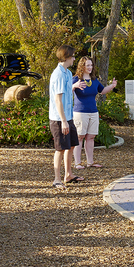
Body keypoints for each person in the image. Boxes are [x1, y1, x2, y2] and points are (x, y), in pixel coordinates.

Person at [71, 56, 117, 169]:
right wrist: (74, 86)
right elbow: (66, 89)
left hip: (93, 112)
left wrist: (112, 86)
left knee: (90, 137)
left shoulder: (94, 80)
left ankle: (90, 162)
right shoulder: (76, 79)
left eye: (91, 65)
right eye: (87, 65)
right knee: (79, 137)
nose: (90, 67)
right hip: (80, 112)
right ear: (82, 66)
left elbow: (102, 91)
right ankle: (77, 163)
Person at [48, 45, 80, 186]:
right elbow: (58, 100)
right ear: (66, 57)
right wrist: (64, 121)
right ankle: (57, 179)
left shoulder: (67, 73)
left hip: (68, 116)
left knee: (71, 145)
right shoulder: (59, 74)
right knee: (60, 149)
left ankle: (68, 175)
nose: (74, 58)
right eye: (73, 56)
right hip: (59, 119)